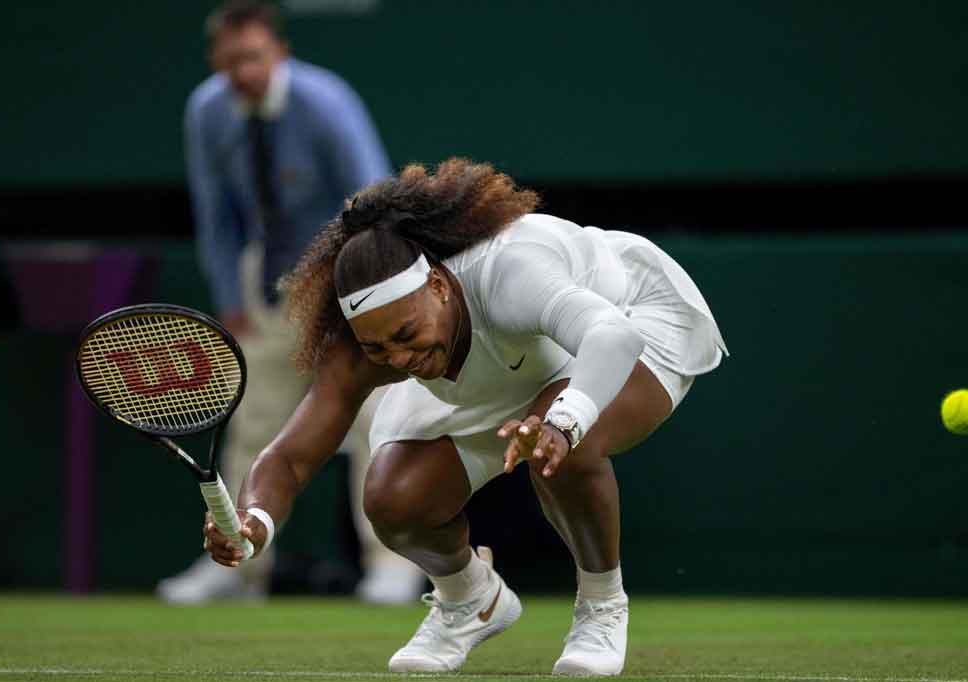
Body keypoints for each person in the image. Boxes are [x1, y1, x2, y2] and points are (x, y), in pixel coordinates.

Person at [202, 158, 729, 675]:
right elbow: (291, 457)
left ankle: (601, 607)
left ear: (436, 285)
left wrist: (562, 422)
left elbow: (610, 335)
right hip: (500, 369)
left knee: (572, 442)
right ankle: (469, 600)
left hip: (631, 317)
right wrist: (254, 522)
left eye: (406, 336)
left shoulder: (511, 271)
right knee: (391, 499)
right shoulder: (366, 345)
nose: (399, 358)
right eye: (380, 348)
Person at [157, 0, 426, 605]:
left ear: (278, 53)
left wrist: (361, 296)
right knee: (251, 424)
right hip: (269, 285)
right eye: (230, 62)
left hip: (345, 282)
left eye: (253, 57)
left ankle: (393, 566)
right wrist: (231, 295)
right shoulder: (206, 110)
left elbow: (372, 198)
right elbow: (215, 215)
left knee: (373, 423)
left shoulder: (325, 101)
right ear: (215, 62)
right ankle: (238, 565)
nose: (243, 72)